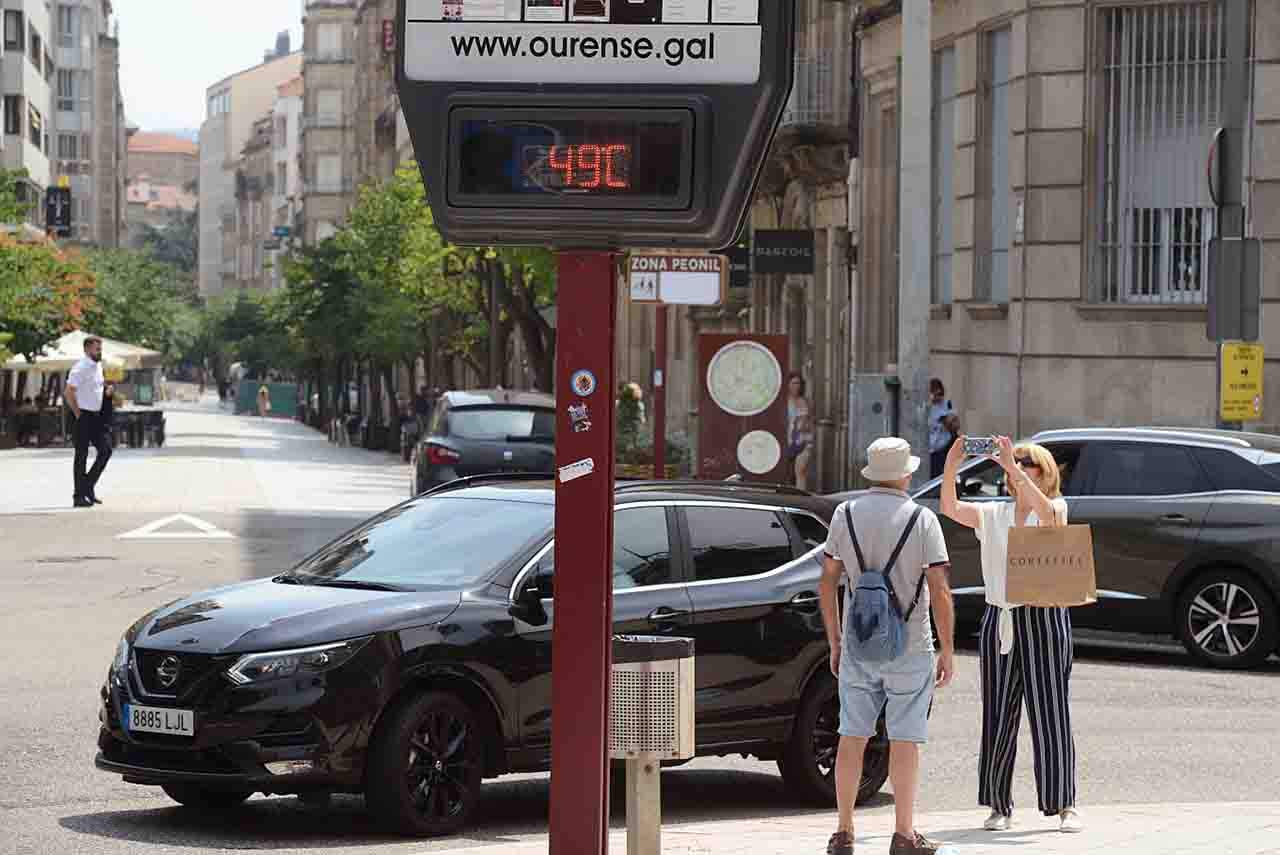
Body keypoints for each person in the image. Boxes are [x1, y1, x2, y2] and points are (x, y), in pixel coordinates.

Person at [939, 435, 1082, 834]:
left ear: (1043, 472)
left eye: (1025, 464)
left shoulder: (1053, 508)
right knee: (999, 714)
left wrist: (1011, 467)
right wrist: (953, 463)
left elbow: (1051, 518)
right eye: (1012, 462)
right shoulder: (994, 514)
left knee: (1051, 710)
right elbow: (949, 508)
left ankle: (1063, 802)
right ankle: (998, 804)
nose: (1013, 468)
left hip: (1045, 617)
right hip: (1000, 619)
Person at [820, 437, 956, 855]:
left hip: (858, 645)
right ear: (905, 474)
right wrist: (948, 648)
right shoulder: (922, 519)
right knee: (905, 740)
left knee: (851, 738)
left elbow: (827, 582)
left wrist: (835, 640)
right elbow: (939, 588)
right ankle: (903, 835)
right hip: (911, 646)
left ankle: (843, 832)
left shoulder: (845, 514)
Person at [66, 335, 111, 508]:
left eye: (100, 348)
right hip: (83, 416)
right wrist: (78, 413)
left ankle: (88, 485)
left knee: (105, 450)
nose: (100, 351)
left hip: (96, 416)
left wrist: (107, 391)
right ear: (87, 349)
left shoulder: (98, 366)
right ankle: (78, 496)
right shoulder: (80, 368)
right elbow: (69, 392)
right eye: (97, 348)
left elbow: (96, 388)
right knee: (81, 456)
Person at [787, 372, 815, 489]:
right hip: (787, 440)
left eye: (798, 383)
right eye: (793, 383)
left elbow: (811, 420)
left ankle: (800, 497)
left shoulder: (805, 401)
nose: (796, 386)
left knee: (801, 472)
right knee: (788, 473)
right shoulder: (784, 401)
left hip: (803, 440)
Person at [927, 379, 959, 479]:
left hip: (943, 447)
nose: (938, 397)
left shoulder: (946, 404)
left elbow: (953, 423)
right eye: (935, 393)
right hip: (931, 449)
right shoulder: (927, 406)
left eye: (940, 394)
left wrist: (946, 419)